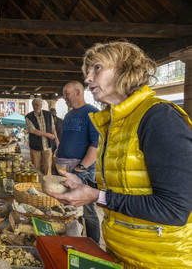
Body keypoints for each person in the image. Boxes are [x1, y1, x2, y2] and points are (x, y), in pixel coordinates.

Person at [47, 41, 192, 268]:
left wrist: (97, 196)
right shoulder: (114, 122)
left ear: (126, 69)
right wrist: (86, 184)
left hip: (160, 258)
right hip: (123, 251)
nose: (88, 79)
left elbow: (174, 209)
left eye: (97, 68)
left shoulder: (159, 118)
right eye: (87, 72)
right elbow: (127, 186)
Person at [55, 81, 101, 244]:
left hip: (81, 170)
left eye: (66, 93)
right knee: (73, 209)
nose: (64, 97)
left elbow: (96, 143)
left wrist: (82, 167)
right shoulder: (68, 115)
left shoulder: (92, 113)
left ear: (78, 93)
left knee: (87, 210)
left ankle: (93, 244)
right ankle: (77, 240)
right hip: (66, 169)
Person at [25, 98, 59, 176]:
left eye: (37, 105)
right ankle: (38, 183)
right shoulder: (29, 117)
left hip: (47, 146)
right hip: (35, 147)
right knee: (36, 167)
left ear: (41, 105)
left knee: (48, 167)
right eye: (34, 105)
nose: (35, 107)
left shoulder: (48, 115)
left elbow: (53, 128)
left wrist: (57, 140)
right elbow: (33, 131)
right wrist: (48, 135)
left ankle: (47, 183)